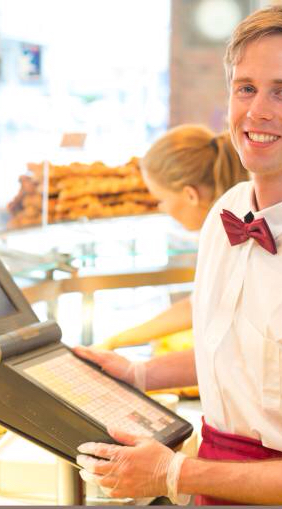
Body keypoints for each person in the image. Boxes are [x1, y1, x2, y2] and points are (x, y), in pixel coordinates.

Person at [73, 5, 282, 505]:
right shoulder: (227, 213)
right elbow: (239, 360)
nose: (257, 111)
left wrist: (174, 474)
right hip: (215, 489)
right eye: (246, 88)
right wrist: (138, 374)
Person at [99, 124, 249, 351]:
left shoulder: (238, 242)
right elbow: (198, 305)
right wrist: (116, 341)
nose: (162, 209)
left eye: (161, 199)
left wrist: (129, 361)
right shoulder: (232, 228)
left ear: (190, 195)